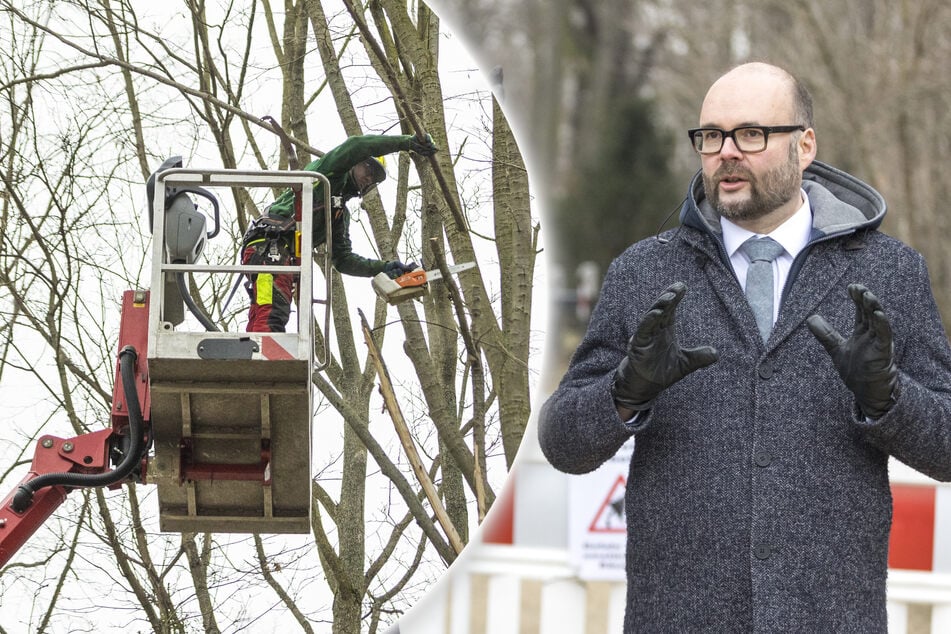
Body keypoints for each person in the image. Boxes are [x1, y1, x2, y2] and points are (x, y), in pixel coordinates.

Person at [538, 62, 951, 631]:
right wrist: (624, 393)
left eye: (750, 134)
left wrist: (888, 398)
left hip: (830, 619)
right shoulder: (644, 271)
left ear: (804, 146)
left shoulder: (889, 270)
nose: (726, 152)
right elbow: (563, 443)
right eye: (711, 136)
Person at [242, 133, 438, 332]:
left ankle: (251, 356)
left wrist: (383, 268)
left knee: (266, 311)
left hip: (282, 257)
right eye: (368, 168)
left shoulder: (339, 212)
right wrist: (406, 143)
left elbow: (343, 259)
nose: (369, 178)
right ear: (354, 163)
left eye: (375, 177)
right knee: (271, 315)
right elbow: (357, 144)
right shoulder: (330, 173)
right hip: (269, 246)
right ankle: (265, 356)